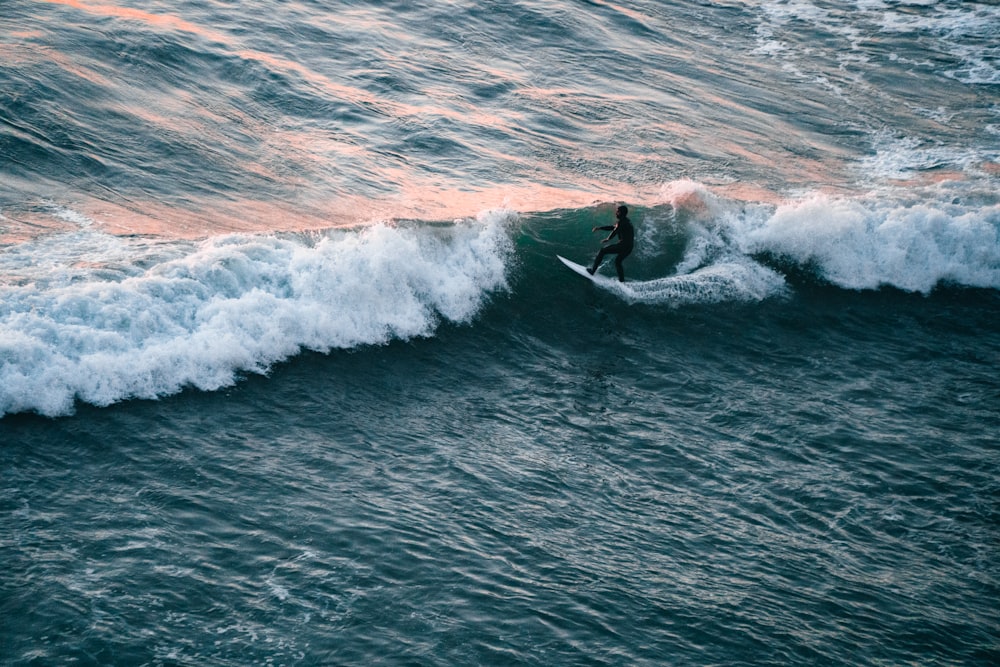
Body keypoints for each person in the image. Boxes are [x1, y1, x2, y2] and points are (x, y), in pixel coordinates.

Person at [588, 204, 634, 282]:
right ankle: (621, 281)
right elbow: (613, 228)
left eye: (617, 212)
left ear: (621, 213)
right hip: (629, 247)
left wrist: (607, 239)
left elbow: (615, 231)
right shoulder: (625, 221)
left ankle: (592, 271)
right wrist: (600, 228)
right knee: (618, 262)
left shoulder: (622, 222)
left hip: (623, 245)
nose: (616, 213)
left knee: (603, 251)